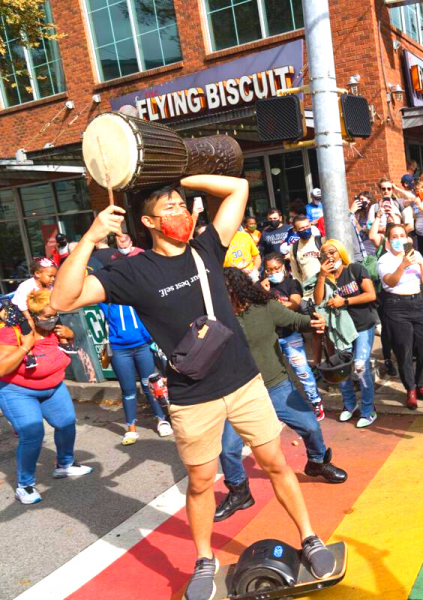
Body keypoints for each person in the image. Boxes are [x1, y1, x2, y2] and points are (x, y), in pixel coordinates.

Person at [51, 176, 336, 598]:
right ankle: (205, 560)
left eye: (182, 205)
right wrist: (91, 238)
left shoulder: (206, 247)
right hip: (191, 396)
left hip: (244, 382)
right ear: (148, 221)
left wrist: (174, 172)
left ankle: (311, 538)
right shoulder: (133, 271)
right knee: (202, 482)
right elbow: (62, 299)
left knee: (275, 462)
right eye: (169, 208)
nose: (180, 213)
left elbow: (238, 188)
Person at [214, 267, 346, 522]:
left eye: (225, 291)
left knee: (310, 425)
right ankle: (239, 491)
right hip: (238, 393)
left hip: (276, 385)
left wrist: (314, 323)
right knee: (227, 447)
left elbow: (295, 320)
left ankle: (317, 462)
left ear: (238, 290)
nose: (221, 296)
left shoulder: (264, 308)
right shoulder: (216, 317)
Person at [0, 290, 92, 505]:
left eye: (54, 315)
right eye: (46, 316)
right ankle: (25, 485)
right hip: (17, 391)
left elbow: (67, 346)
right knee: (33, 434)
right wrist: (25, 346)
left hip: (53, 386)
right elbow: (2, 368)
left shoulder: (55, 329)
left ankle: (64, 464)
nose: (52, 320)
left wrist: (70, 335)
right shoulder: (10, 333)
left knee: (67, 424)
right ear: (31, 315)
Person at [314, 239, 380, 427]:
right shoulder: (324, 277)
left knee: (360, 366)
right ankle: (349, 405)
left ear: (341, 252)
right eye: (325, 254)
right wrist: (321, 276)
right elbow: (318, 301)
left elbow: (371, 294)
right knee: (341, 371)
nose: (329, 256)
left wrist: (345, 302)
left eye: (333, 252)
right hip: (340, 331)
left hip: (362, 326)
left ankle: (368, 410)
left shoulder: (355, 269)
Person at [376, 223, 423, 410]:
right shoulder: (384, 261)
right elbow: (390, 282)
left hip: (417, 302)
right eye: (394, 236)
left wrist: (419, 263)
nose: (399, 239)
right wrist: (403, 265)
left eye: (402, 235)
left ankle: (421, 384)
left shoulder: (416, 255)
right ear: (388, 241)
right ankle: (410, 389)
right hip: (396, 306)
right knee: (404, 350)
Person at [99, 296, 173, 444]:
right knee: (128, 390)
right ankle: (131, 429)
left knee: (150, 384)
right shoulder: (104, 300)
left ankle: (161, 420)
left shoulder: (135, 293)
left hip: (143, 346)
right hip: (119, 350)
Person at [261, 253, 325, 421]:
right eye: (269, 270)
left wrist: (274, 304)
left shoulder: (292, 284)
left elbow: (294, 305)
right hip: (269, 337)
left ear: (283, 267)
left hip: (290, 334)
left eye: (276, 268)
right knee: (274, 373)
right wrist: (262, 291)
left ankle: (315, 401)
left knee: (302, 370)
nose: (273, 272)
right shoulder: (260, 286)